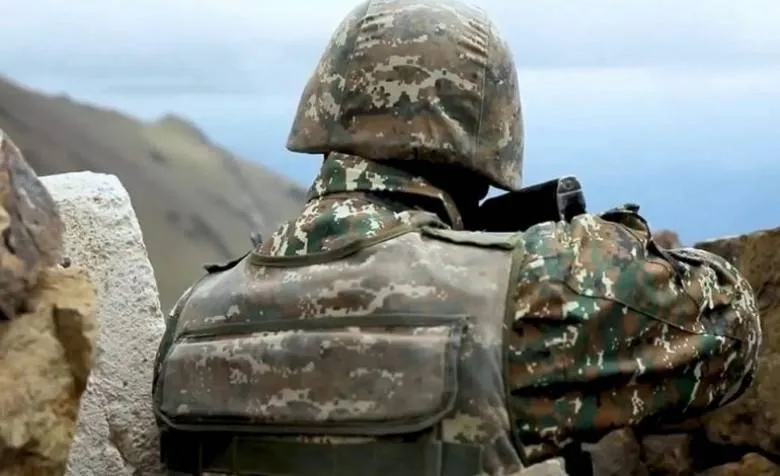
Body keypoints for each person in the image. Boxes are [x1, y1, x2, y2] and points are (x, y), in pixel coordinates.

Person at [151, 0, 762, 474]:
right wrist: (593, 243)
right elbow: (730, 327)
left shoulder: (194, 315)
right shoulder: (525, 290)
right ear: (486, 129)